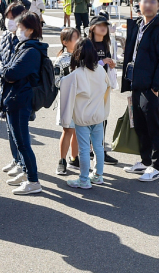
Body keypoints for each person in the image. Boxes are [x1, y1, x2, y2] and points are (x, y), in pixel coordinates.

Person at [121, 0, 159, 182]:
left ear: (158, 4)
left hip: (152, 86)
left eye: (152, 1)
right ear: (140, 3)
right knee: (140, 125)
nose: (148, 5)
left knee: (155, 126)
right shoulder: (138, 24)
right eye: (145, 1)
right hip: (137, 82)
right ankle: (145, 161)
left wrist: (157, 86)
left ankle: (156, 166)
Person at [0, 12, 47, 195]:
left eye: (21, 28)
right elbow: (9, 69)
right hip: (15, 99)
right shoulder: (25, 47)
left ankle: (33, 181)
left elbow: (11, 73)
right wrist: (6, 70)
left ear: (30, 30)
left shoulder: (31, 51)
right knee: (20, 142)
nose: (18, 31)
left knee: (23, 143)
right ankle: (26, 174)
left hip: (20, 100)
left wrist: (3, 71)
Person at [60, 38, 116, 189]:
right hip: (98, 116)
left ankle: (84, 179)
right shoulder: (99, 71)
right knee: (98, 146)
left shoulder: (76, 74)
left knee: (84, 149)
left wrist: (65, 120)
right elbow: (110, 86)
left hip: (82, 118)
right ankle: (98, 175)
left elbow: (65, 91)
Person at [0, 2, 28, 176]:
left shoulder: (25, 38)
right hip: (5, 85)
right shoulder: (5, 36)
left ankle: (24, 165)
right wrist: (2, 70)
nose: (8, 21)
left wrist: (6, 71)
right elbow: (1, 57)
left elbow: (20, 66)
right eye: (7, 17)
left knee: (20, 130)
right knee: (10, 128)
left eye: (11, 18)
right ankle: (16, 159)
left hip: (19, 88)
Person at [87, 15, 119, 164]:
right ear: (92, 28)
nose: (103, 27)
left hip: (103, 87)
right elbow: (84, 64)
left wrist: (110, 64)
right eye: (100, 25)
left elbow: (106, 64)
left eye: (105, 25)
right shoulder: (87, 44)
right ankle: (87, 150)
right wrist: (101, 61)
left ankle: (99, 151)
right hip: (89, 88)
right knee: (88, 120)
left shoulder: (107, 44)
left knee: (103, 119)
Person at [54, 27, 80, 175]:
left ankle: (74, 158)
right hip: (67, 99)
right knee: (68, 130)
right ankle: (62, 160)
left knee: (78, 130)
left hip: (81, 100)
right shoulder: (61, 60)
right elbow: (56, 81)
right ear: (65, 41)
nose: (78, 41)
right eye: (74, 38)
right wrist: (72, 81)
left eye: (79, 37)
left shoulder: (81, 56)